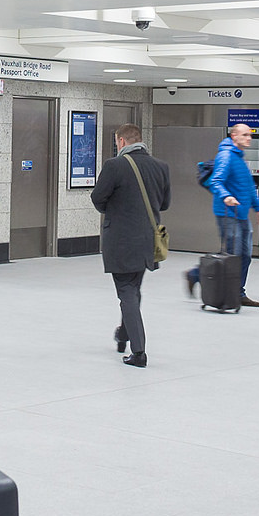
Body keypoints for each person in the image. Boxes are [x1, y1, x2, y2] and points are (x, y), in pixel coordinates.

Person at [91, 123, 170, 369]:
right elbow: (165, 204)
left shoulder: (114, 166)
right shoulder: (161, 166)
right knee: (133, 289)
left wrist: (115, 211)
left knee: (126, 290)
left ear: (122, 141)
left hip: (121, 241)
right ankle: (123, 334)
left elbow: (97, 198)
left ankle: (139, 352)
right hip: (148, 240)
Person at [203, 122, 259, 308]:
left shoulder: (239, 158)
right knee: (233, 255)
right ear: (234, 136)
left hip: (241, 214)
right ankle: (204, 278)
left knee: (245, 255)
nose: (249, 138)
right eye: (245, 135)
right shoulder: (226, 156)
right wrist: (226, 196)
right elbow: (216, 181)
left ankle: (238, 292)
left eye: (250, 135)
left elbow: (249, 188)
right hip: (227, 214)